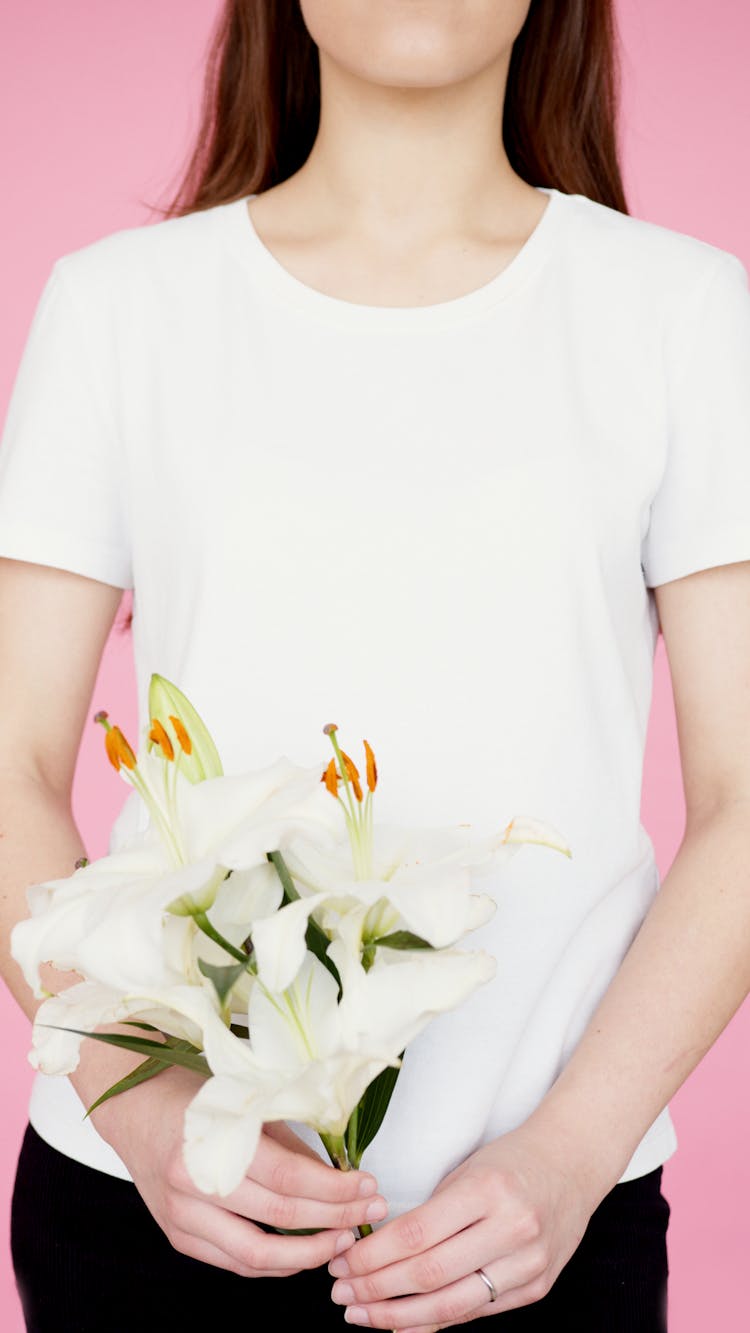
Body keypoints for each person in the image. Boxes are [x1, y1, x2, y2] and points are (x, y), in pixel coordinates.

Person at [1, 1, 749, 1329]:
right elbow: (12, 760)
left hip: (537, 1234)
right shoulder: (122, 308)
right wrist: (145, 1101)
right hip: (151, 1216)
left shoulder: (680, 315)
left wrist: (569, 1159)